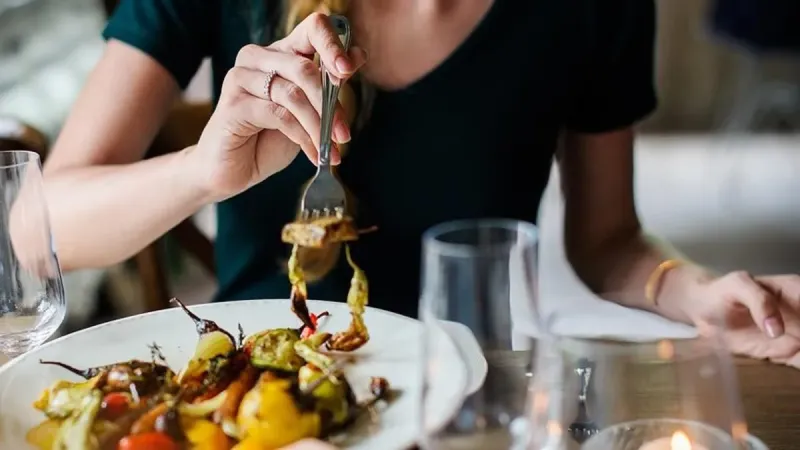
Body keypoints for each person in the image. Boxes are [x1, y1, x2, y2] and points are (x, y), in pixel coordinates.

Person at [45, 0, 800, 370]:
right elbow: (38, 229)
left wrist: (695, 291)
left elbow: (608, 243)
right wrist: (201, 173)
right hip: (256, 397)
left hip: (471, 398)